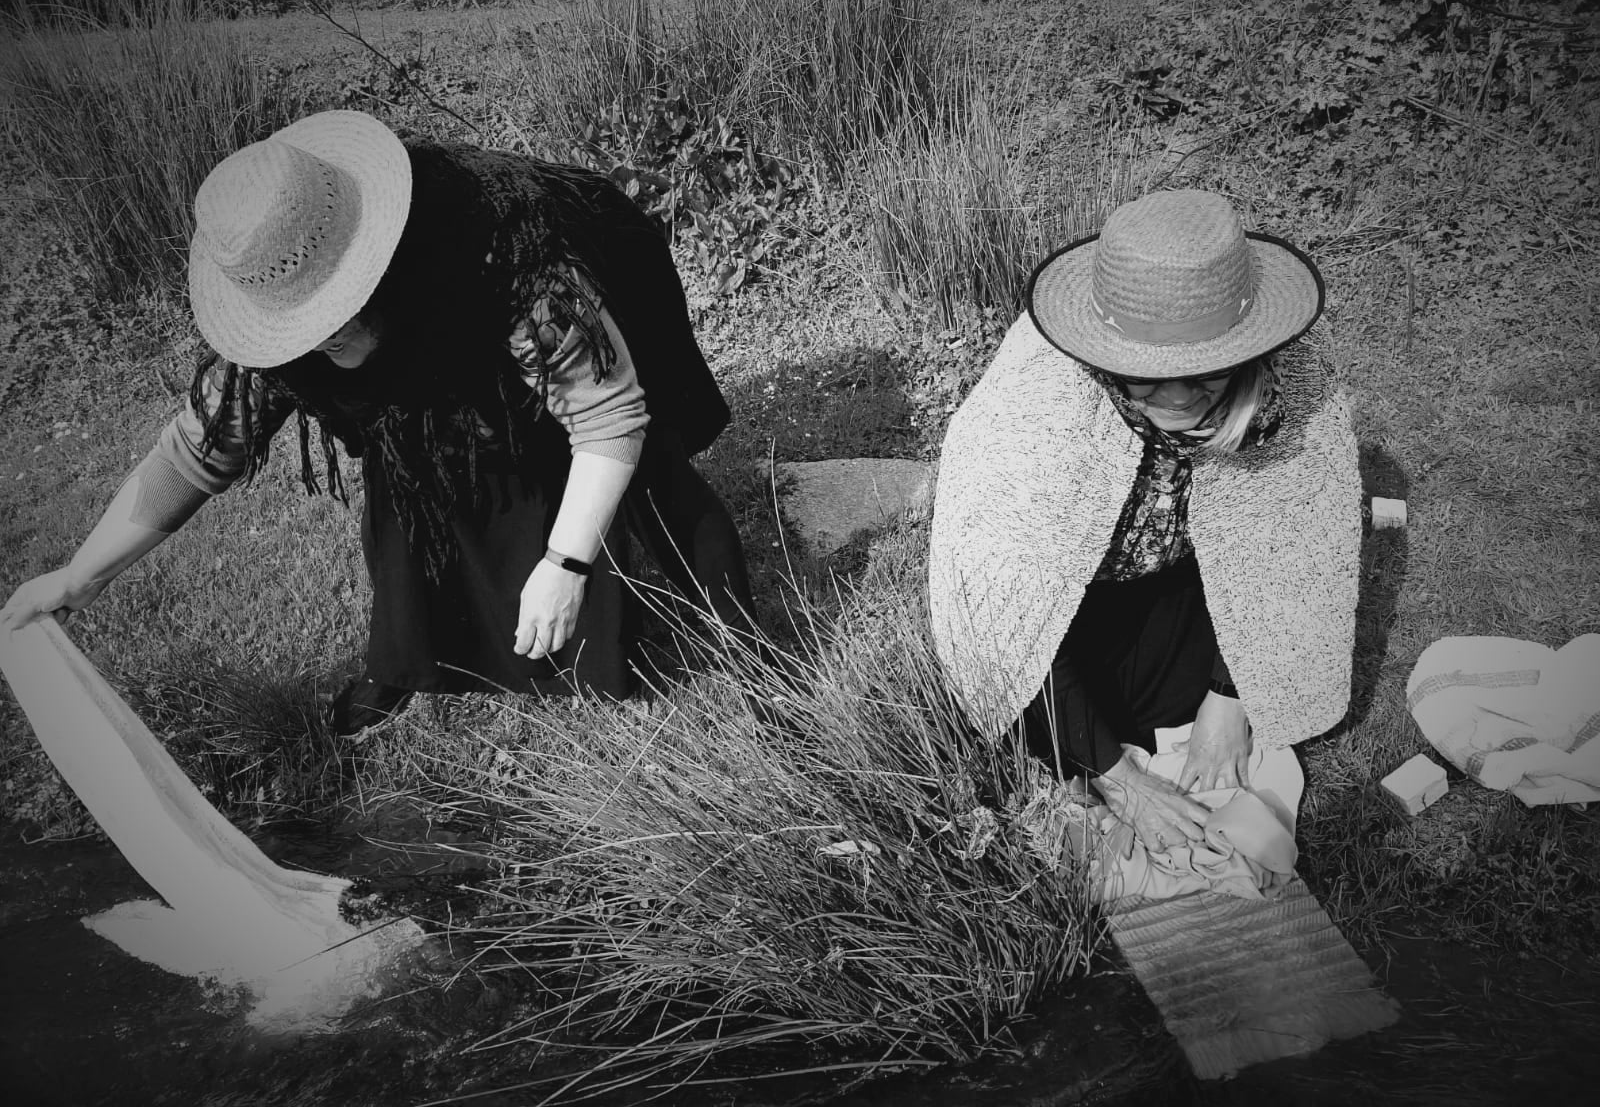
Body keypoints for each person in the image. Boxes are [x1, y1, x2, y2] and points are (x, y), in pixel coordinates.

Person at [0, 110, 756, 736]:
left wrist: (564, 567)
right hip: (438, 356)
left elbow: (608, 419)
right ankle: (410, 659)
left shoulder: (503, 253)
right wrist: (76, 576)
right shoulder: (272, 325)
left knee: (633, 471)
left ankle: (740, 648)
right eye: (305, 325)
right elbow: (195, 455)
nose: (325, 338)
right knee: (414, 458)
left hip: (586, 269)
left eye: (335, 310)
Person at [927, 189, 1361, 857]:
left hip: (1182, 592)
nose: (1182, 397)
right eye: (1150, 377)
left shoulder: (1293, 384)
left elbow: (1291, 552)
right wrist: (1122, 778)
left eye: (1207, 371)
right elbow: (1002, 611)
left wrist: (1230, 697)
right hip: (1068, 614)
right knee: (1033, 720)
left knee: (1203, 714)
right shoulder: (1031, 412)